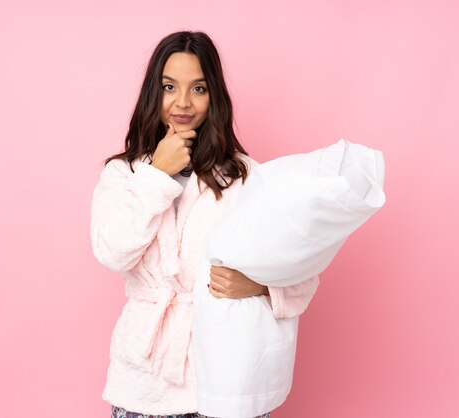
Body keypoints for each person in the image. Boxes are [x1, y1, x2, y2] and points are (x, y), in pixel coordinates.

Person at [90, 30, 318, 418]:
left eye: (198, 88)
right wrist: (158, 174)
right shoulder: (124, 173)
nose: (182, 103)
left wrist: (260, 286)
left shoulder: (247, 177)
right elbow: (112, 251)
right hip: (144, 379)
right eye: (168, 87)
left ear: (214, 96)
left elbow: (303, 270)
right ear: (152, 93)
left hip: (225, 376)